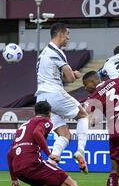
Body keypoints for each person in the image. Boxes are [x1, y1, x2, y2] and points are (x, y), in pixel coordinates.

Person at [7, 101, 110, 186]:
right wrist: (49, 154)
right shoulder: (46, 121)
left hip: (18, 168)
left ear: (35, 112)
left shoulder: (23, 126)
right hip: (32, 164)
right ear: (50, 114)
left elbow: (10, 154)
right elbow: (37, 134)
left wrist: (14, 179)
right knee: (71, 184)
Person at [35, 22, 89, 174]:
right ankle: (80, 151)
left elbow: (56, 74)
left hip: (42, 98)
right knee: (83, 114)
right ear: (60, 34)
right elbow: (70, 78)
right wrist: (76, 74)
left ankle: (51, 164)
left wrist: (70, 74)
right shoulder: (57, 51)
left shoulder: (43, 53)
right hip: (54, 93)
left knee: (65, 134)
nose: (68, 38)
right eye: (67, 34)